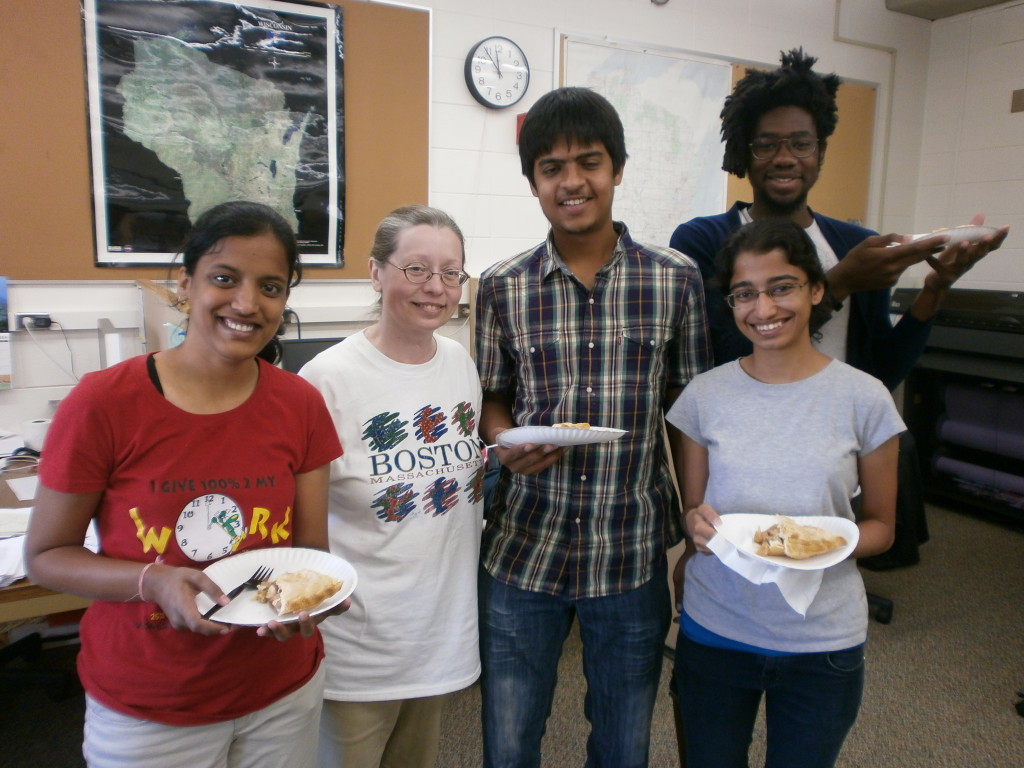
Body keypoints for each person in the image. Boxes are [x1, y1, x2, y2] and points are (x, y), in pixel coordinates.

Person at [24, 201, 345, 768]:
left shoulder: (300, 404)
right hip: (151, 707)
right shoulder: (103, 404)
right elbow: (48, 556)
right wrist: (153, 582)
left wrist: (319, 599)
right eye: (224, 279)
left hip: (282, 690)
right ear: (185, 283)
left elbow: (311, 552)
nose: (247, 304)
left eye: (270, 286)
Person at [475, 86, 712, 768]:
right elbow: (492, 396)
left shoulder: (676, 280)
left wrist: (696, 528)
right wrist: (506, 443)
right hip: (524, 544)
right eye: (552, 168)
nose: (572, 181)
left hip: (630, 547)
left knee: (623, 741)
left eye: (589, 161)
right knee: (510, 739)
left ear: (617, 169)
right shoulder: (501, 286)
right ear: (533, 182)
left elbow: (689, 413)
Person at [667, 217, 906, 768]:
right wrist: (694, 525)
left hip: (822, 639)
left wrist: (816, 542)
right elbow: (694, 511)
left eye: (782, 287)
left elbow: (882, 528)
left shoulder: (863, 399)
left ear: (816, 289)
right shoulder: (705, 396)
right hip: (717, 627)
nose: (763, 308)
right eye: (744, 294)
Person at [670, 48, 1009, 392]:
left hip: (839, 437)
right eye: (767, 145)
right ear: (746, 153)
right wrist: (840, 283)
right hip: (744, 435)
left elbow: (882, 373)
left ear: (821, 153)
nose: (785, 158)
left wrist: (935, 290)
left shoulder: (854, 244)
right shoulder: (703, 239)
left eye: (801, 144)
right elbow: (716, 360)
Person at [299, 205, 485, 768]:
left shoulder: (459, 363)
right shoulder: (327, 380)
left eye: (451, 273)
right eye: (416, 269)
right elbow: (300, 526)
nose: (436, 288)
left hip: (439, 636)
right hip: (358, 647)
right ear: (376, 273)